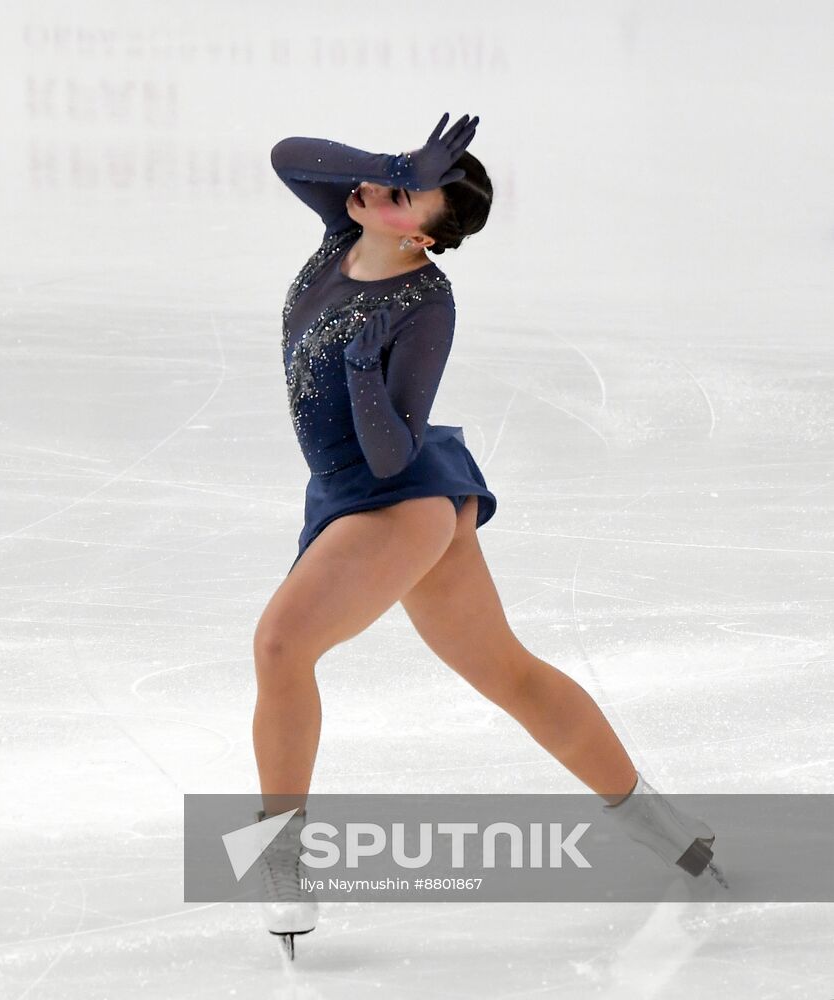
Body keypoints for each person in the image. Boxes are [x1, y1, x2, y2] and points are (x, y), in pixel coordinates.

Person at [252, 113, 725, 959]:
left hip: (396, 501)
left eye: (402, 195)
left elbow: (392, 451)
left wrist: (365, 372)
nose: (373, 191)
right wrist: (394, 165)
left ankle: (280, 861)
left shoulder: (425, 303)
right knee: (507, 672)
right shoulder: (340, 234)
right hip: (346, 494)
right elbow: (289, 155)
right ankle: (671, 829)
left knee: (282, 646)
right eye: (387, 178)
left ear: (430, 237)